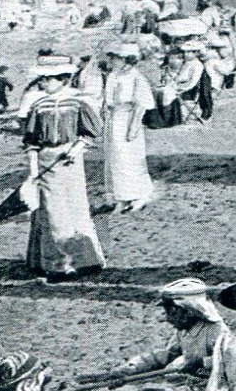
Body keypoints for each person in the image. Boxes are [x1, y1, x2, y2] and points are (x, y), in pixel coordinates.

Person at [97, 278, 228, 391]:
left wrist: (200, 362)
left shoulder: (217, 331)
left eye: (171, 312)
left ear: (188, 310)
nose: (167, 318)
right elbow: (165, 356)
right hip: (189, 389)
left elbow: (230, 362)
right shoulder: (184, 329)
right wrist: (128, 370)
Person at [21, 57, 105, 281]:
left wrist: (75, 150)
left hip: (71, 161)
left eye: (48, 79)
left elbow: (91, 132)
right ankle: (59, 264)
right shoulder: (39, 106)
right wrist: (33, 170)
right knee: (53, 213)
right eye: (42, 79)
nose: (43, 83)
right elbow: (30, 140)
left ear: (63, 80)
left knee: (77, 207)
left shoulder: (78, 103)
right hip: (46, 161)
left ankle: (87, 260)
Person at [101, 42, 155, 214]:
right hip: (114, 119)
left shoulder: (137, 78)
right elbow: (108, 100)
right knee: (115, 160)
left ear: (126, 59)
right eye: (111, 57)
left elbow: (141, 105)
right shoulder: (113, 76)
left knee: (130, 159)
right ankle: (121, 198)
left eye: (115, 58)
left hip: (129, 119)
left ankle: (139, 196)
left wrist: (132, 129)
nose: (112, 61)